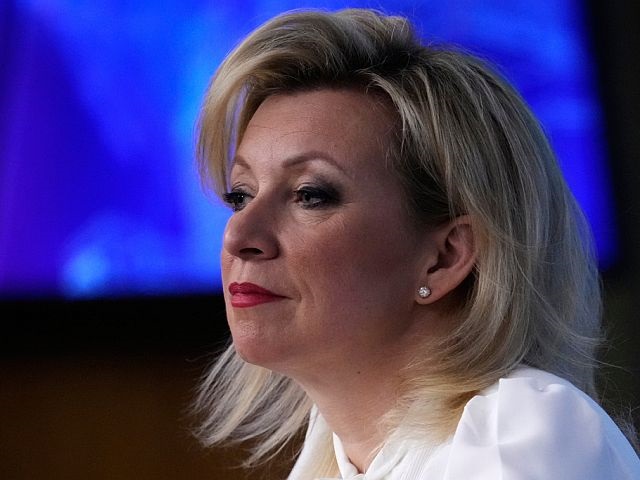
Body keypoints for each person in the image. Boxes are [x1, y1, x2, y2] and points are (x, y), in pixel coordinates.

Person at [192, 8, 640, 479]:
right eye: (240, 196)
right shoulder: (334, 461)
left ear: (445, 257)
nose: (238, 237)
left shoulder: (520, 433)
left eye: (310, 195)